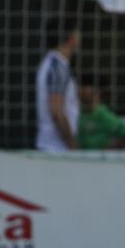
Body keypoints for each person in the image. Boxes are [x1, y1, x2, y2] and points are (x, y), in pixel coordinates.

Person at [35, 17, 80, 152]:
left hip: (53, 147)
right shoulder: (57, 67)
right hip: (56, 148)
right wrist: (72, 146)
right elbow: (57, 112)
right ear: (71, 38)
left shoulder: (53, 64)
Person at [77, 86, 125, 150]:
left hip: (98, 157)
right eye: (83, 100)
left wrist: (113, 147)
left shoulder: (102, 115)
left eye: (87, 100)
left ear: (96, 98)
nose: (84, 103)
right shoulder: (78, 114)